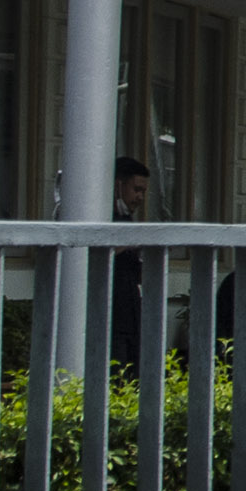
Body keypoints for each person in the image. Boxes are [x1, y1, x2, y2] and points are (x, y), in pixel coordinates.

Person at [107, 157, 152, 367]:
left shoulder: (127, 220)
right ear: (118, 184)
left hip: (131, 313)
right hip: (111, 314)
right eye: (136, 189)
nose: (140, 197)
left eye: (143, 191)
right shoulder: (104, 218)